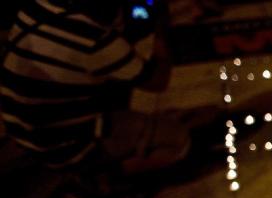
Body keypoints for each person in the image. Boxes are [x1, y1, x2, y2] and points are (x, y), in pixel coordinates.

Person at [0, 0, 190, 180]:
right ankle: (109, 175)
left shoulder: (39, 5)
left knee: (116, 77)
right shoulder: (93, 38)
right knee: (179, 141)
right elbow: (158, 81)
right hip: (64, 148)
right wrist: (161, 29)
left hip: (22, 131)